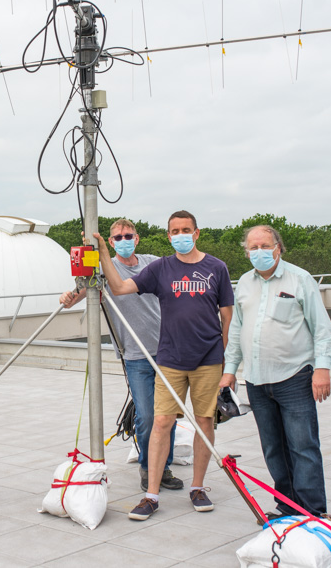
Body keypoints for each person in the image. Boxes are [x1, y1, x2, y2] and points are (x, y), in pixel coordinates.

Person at [95, 210, 233, 520]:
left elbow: (227, 316)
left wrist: (227, 361)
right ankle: (151, 495)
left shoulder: (216, 268)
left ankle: (197, 488)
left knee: (204, 422)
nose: (181, 235)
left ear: (196, 233)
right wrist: (104, 253)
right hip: (169, 359)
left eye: (186, 230)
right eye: (175, 231)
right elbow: (118, 287)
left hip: (207, 360)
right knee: (160, 423)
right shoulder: (160, 268)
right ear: (168, 235)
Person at [219, 225, 331, 523]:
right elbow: (236, 330)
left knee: (303, 446)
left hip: (295, 376)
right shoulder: (245, 282)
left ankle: (312, 510)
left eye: (264, 245)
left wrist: (322, 369)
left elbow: (322, 329)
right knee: (273, 448)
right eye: (252, 247)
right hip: (257, 381)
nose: (259, 252)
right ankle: (286, 505)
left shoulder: (300, 279)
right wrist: (229, 370)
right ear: (246, 252)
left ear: (278, 247)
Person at [59, 218, 182, 493]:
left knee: (168, 414)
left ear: (137, 238)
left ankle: (163, 467)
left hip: (167, 351)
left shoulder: (153, 263)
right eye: (118, 237)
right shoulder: (105, 268)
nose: (124, 240)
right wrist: (67, 297)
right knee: (147, 416)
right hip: (135, 354)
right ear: (111, 242)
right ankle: (149, 468)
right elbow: (80, 291)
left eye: (129, 236)